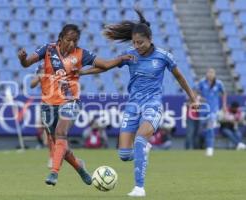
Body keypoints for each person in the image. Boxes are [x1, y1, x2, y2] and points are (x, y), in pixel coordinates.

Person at [79, 9, 198, 197]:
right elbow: (105, 67)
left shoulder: (163, 56)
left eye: (140, 42)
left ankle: (139, 187)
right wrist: (81, 72)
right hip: (132, 105)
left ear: (150, 39)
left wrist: (192, 98)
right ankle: (143, 150)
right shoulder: (130, 54)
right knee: (124, 155)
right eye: (134, 42)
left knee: (140, 139)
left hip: (153, 104)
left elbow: (180, 78)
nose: (137, 46)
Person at [17, 24, 132, 186]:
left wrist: (120, 59)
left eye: (75, 41)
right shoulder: (48, 49)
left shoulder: (81, 54)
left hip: (71, 101)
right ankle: (80, 168)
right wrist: (22, 58)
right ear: (61, 38)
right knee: (60, 145)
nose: (72, 44)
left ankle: (54, 173)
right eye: (69, 40)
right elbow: (27, 63)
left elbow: (104, 65)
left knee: (61, 133)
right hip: (48, 104)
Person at [195, 68, 226, 156]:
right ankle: (206, 144)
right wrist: (198, 98)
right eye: (209, 72)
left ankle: (210, 148)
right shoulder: (202, 82)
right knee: (202, 129)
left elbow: (224, 93)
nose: (210, 74)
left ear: (215, 74)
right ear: (206, 73)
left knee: (210, 126)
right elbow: (195, 92)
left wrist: (224, 105)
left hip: (213, 109)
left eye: (212, 73)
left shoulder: (219, 83)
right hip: (204, 109)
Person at [30, 62, 55, 168]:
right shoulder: (41, 66)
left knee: (59, 132)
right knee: (49, 133)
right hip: (47, 104)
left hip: (60, 102)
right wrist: (41, 75)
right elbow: (32, 84)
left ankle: (59, 155)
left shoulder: (58, 65)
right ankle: (52, 157)